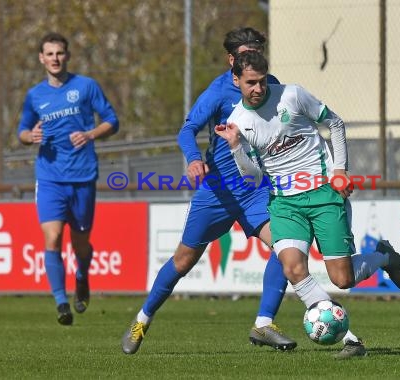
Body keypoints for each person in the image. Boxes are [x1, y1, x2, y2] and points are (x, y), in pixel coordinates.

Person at [215, 50, 400, 358]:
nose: (258, 88)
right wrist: (237, 147)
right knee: (292, 267)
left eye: (263, 81)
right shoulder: (238, 122)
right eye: (251, 82)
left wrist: (340, 171)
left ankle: (384, 257)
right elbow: (253, 178)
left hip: (323, 194)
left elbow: (335, 123)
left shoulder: (292, 95)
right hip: (284, 203)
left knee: (342, 279)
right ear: (236, 80)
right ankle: (351, 340)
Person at [121, 27, 299, 355]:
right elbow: (188, 129)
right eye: (246, 54)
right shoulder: (218, 92)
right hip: (217, 191)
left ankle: (264, 323)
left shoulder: (271, 87)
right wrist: (192, 160)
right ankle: (142, 318)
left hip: (256, 189)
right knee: (183, 260)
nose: (253, 60)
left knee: (285, 246)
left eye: (258, 51)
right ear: (232, 60)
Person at [17, 32, 119, 326]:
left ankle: (82, 275)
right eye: (49, 54)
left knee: (80, 243)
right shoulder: (35, 95)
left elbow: (112, 120)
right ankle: (61, 302)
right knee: (52, 238)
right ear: (41, 58)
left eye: (59, 53)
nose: (55, 59)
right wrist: (30, 136)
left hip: (83, 175)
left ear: (67, 56)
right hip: (49, 177)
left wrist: (89, 134)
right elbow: (22, 131)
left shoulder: (86, 86)